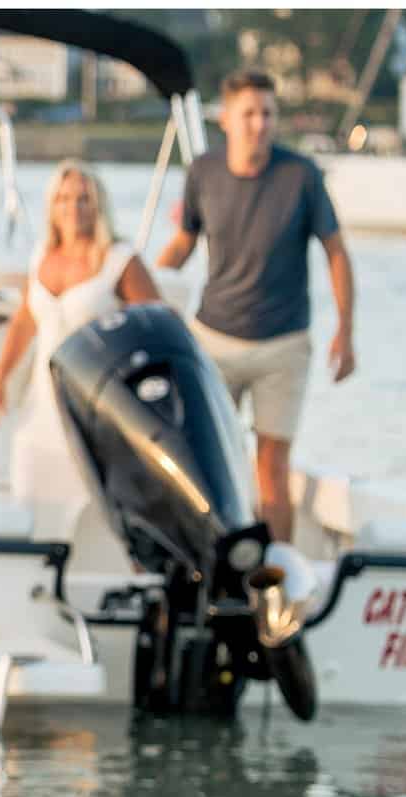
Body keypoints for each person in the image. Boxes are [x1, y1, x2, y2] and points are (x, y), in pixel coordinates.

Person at [156, 69, 357, 544]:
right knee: (208, 458)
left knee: (272, 465)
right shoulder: (203, 172)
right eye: (249, 114)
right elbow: (184, 243)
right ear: (226, 119)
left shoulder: (302, 176)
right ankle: (207, 563)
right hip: (214, 340)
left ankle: (279, 577)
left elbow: (336, 252)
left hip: (283, 344)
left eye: (268, 114)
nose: (259, 124)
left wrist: (345, 331)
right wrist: (139, 286)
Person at [0, 160, 162, 507]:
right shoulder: (42, 256)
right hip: (42, 408)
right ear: (52, 205)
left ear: (98, 205)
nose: (73, 208)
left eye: (83, 199)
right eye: (64, 199)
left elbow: (156, 326)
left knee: (92, 510)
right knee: (29, 502)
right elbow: (24, 321)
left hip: (97, 410)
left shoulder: (120, 260)